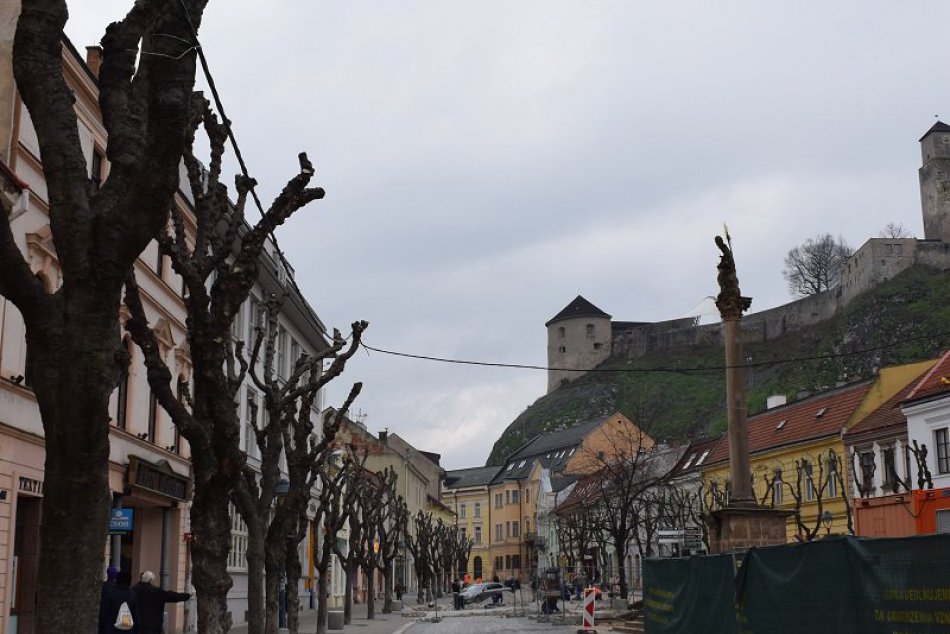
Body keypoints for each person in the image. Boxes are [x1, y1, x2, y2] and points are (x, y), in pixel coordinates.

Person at [99, 569, 140, 634]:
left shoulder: (110, 593)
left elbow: (103, 612)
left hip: (111, 628)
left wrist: (100, 628)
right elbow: (135, 615)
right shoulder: (132, 595)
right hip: (127, 629)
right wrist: (137, 630)